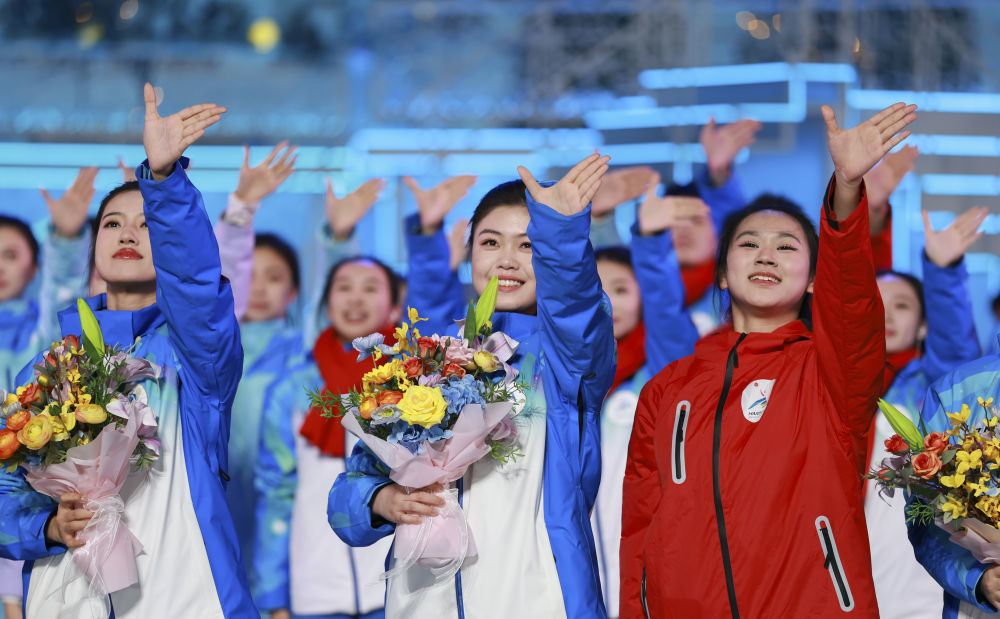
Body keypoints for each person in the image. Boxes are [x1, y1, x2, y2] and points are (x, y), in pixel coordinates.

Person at [621, 101, 916, 618]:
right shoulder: (668, 389)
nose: (765, 255)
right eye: (749, 243)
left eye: (786, 247)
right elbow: (640, 528)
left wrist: (847, 191)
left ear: (814, 279)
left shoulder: (831, 375)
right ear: (721, 273)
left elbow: (852, 302)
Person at [0, 83, 256, 617]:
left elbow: (196, 288)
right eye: (113, 224)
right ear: (94, 245)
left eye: (147, 224)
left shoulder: (193, 357)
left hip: (185, 600)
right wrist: (47, 526)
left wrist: (163, 181)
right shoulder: (48, 370)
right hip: (67, 599)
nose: (128, 234)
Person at [329, 153, 617, 618]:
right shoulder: (427, 360)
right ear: (468, 254)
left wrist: (562, 235)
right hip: (421, 602)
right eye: (490, 242)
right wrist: (382, 499)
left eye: (529, 245)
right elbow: (349, 492)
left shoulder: (565, 360)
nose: (507, 260)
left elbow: (577, 313)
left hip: (534, 601)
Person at [254, 256, 403, 619]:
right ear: (326, 304)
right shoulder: (292, 388)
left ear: (395, 307)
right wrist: (273, 598)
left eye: (370, 288)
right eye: (344, 288)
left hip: (399, 585)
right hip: (315, 590)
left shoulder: (414, 382)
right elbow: (276, 493)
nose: (355, 299)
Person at [866, 206, 985, 618]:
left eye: (900, 305)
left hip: (922, 579)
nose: (885, 313)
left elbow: (955, 348)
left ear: (922, 326)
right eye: (874, 303)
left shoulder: (936, 388)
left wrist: (942, 270)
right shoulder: (829, 385)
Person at [591, 179, 702, 617]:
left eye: (621, 289)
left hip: (649, 572)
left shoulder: (661, 372)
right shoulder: (558, 379)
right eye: (595, 290)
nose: (608, 302)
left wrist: (653, 246)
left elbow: (667, 313)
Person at [0, 167, 96, 617]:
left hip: (24, 514)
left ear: (34, 267)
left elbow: (63, 300)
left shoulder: (39, 340)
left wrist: (67, 239)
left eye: (10, 254)